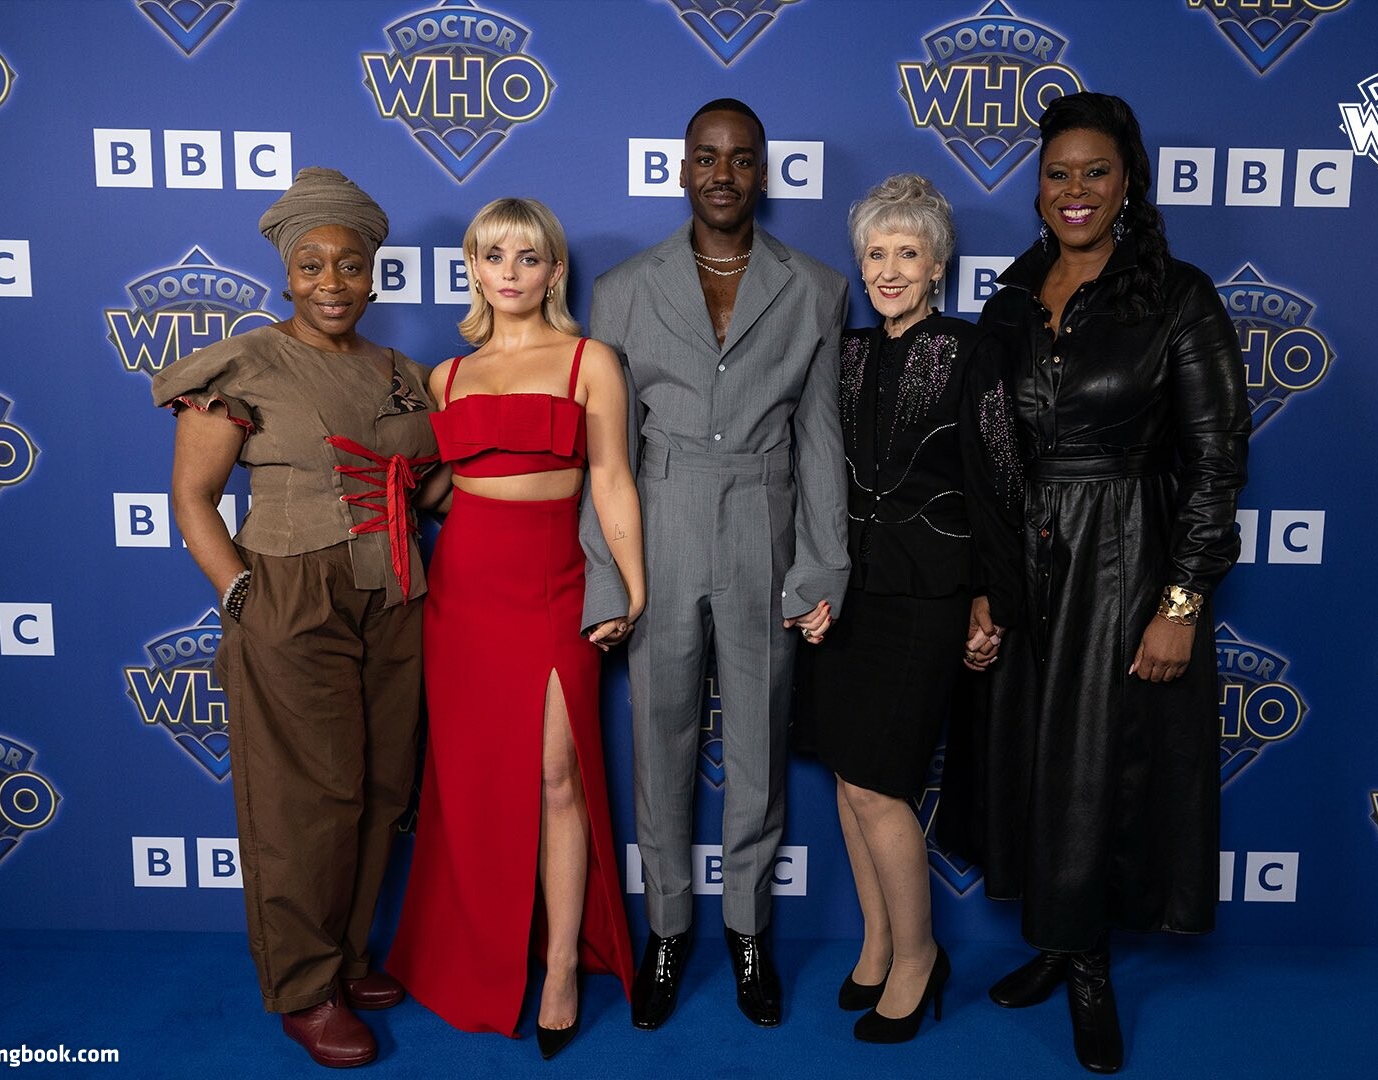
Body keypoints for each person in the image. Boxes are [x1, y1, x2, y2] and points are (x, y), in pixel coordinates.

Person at [969, 92, 1250, 1074]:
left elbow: (1217, 462)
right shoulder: (1011, 297)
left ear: (1128, 183)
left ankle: (1088, 968)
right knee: (1037, 761)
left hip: (1126, 558)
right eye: (1058, 173)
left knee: (1095, 766)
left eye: (1096, 172)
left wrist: (1182, 601)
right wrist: (989, 581)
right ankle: (1058, 940)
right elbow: (988, 455)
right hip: (1027, 559)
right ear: (1038, 187)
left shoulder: (1178, 295)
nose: (1075, 190)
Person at [152, 167, 436, 1069]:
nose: (330, 282)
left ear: (372, 275)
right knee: (305, 800)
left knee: (382, 788)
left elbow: (430, 487)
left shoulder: (402, 374)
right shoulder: (245, 362)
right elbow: (192, 497)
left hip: (395, 595)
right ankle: (305, 988)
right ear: (286, 273)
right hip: (291, 594)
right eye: (312, 264)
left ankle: (347, 958)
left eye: (349, 264)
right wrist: (240, 593)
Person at [582, 97, 850, 1030]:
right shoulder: (622, 290)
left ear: (762, 173)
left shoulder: (816, 287)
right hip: (657, 526)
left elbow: (821, 442)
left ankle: (747, 931)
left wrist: (821, 567)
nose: (723, 174)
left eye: (740, 158)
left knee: (759, 746)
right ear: (683, 169)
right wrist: (608, 578)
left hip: (764, 528)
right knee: (658, 738)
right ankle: (666, 931)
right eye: (707, 156)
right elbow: (605, 455)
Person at [386, 198, 643, 1061]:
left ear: (554, 272)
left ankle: (561, 965)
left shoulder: (588, 360)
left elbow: (612, 481)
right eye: (493, 256)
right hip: (464, 590)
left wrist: (632, 587)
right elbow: (442, 487)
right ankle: (478, 955)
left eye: (528, 257)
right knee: (472, 781)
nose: (510, 272)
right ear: (473, 269)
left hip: (553, 583)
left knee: (558, 777)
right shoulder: (446, 377)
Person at [793, 174, 1023, 1043]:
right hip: (846, 592)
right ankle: (879, 939)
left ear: (937, 267)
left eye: (908, 253)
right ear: (860, 265)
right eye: (876, 253)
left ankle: (921, 957)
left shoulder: (971, 350)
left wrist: (989, 595)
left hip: (928, 592)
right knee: (847, 778)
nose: (889, 270)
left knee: (880, 783)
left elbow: (1001, 482)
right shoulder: (844, 351)